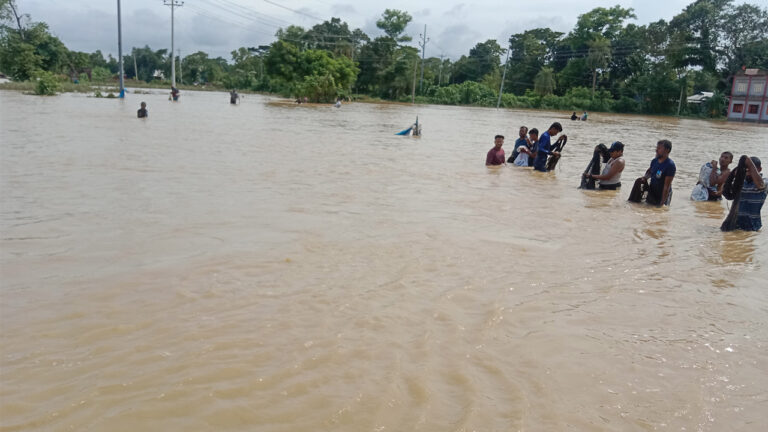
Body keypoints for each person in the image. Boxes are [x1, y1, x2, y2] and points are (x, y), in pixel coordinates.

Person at [723, 156, 766, 231]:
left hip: (752, 226)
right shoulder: (740, 182)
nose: (748, 172)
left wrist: (749, 163)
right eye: (746, 170)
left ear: (759, 169)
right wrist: (733, 175)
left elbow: (761, 185)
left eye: (750, 170)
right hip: (734, 224)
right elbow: (727, 194)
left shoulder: (765, 182)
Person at [628, 140, 676, 206]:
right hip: (652, 192)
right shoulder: (654, 161)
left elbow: (666, 186)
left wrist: (662, 204)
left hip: (663, 195)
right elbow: (649, 171)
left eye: (659, 148)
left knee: (660, 213)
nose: (656, 150)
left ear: (667, 150)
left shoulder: (670, 165)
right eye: (657, 148)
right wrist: (645, 177)